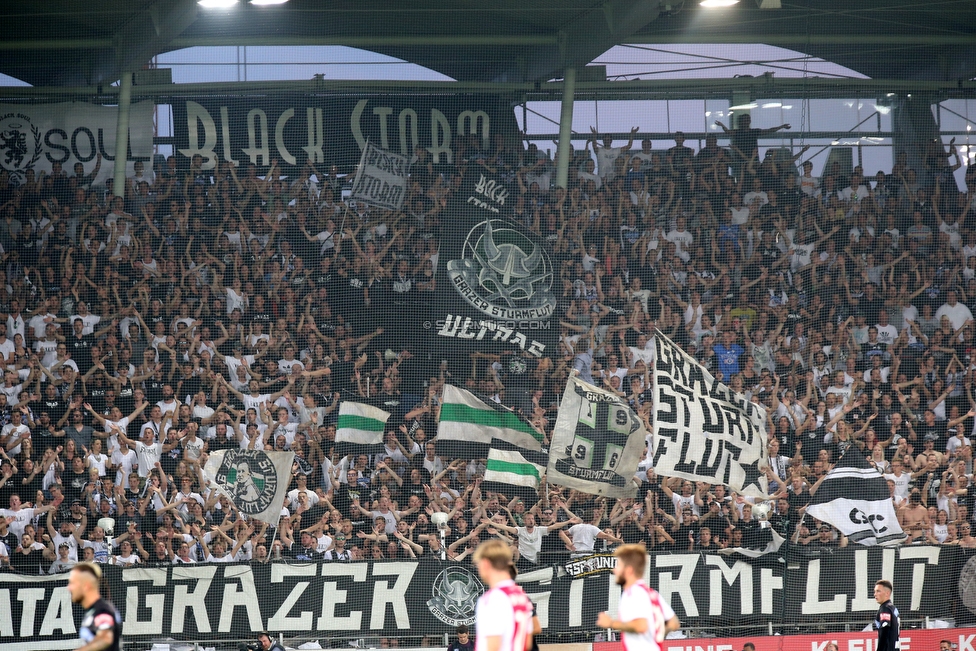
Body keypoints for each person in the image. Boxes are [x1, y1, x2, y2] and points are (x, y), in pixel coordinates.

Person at [596, 544, 680, 650]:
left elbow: (641, 626)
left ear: (629, 570)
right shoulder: (651, 593)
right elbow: (674, 623)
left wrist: (612, 623)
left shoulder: (634, 593)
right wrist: (653, 635)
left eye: (619, 566)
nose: (614, 570)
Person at [473, 540, 534, 651]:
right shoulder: (521, 595)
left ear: (486, 563)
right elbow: (528, 640)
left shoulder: (493, 598)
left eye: (478, 565)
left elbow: (492, 645)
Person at [67, 562, 122, 651]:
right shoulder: (93, 610)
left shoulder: (102, 610)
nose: (69, 588)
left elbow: (105, 639)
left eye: (73, 583)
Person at [874, 579, 899, 651]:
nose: (875, 594)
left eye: (878, 591)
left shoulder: (885, 608)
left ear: (887, 593)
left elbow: (885, 629)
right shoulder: (893, 608)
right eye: (875, 591)